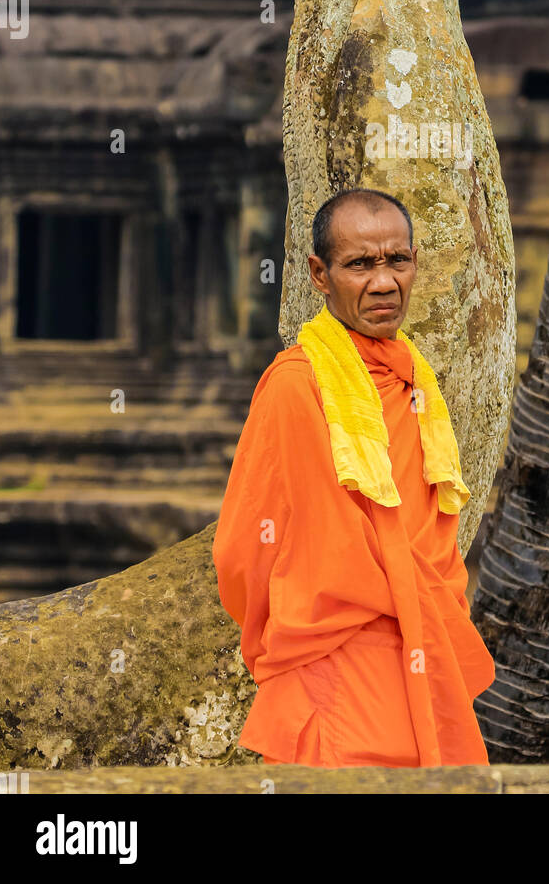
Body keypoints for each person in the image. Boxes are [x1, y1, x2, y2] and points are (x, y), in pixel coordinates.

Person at [212, 187, 496, 767]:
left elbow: (434, 530)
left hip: (425, 648)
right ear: (320, 273)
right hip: (336, 664)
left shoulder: (416, 378)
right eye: (360, 264)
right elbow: (243, 552)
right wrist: (303, 630)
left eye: (398, 260)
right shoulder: (298, 384)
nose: (384, 281)